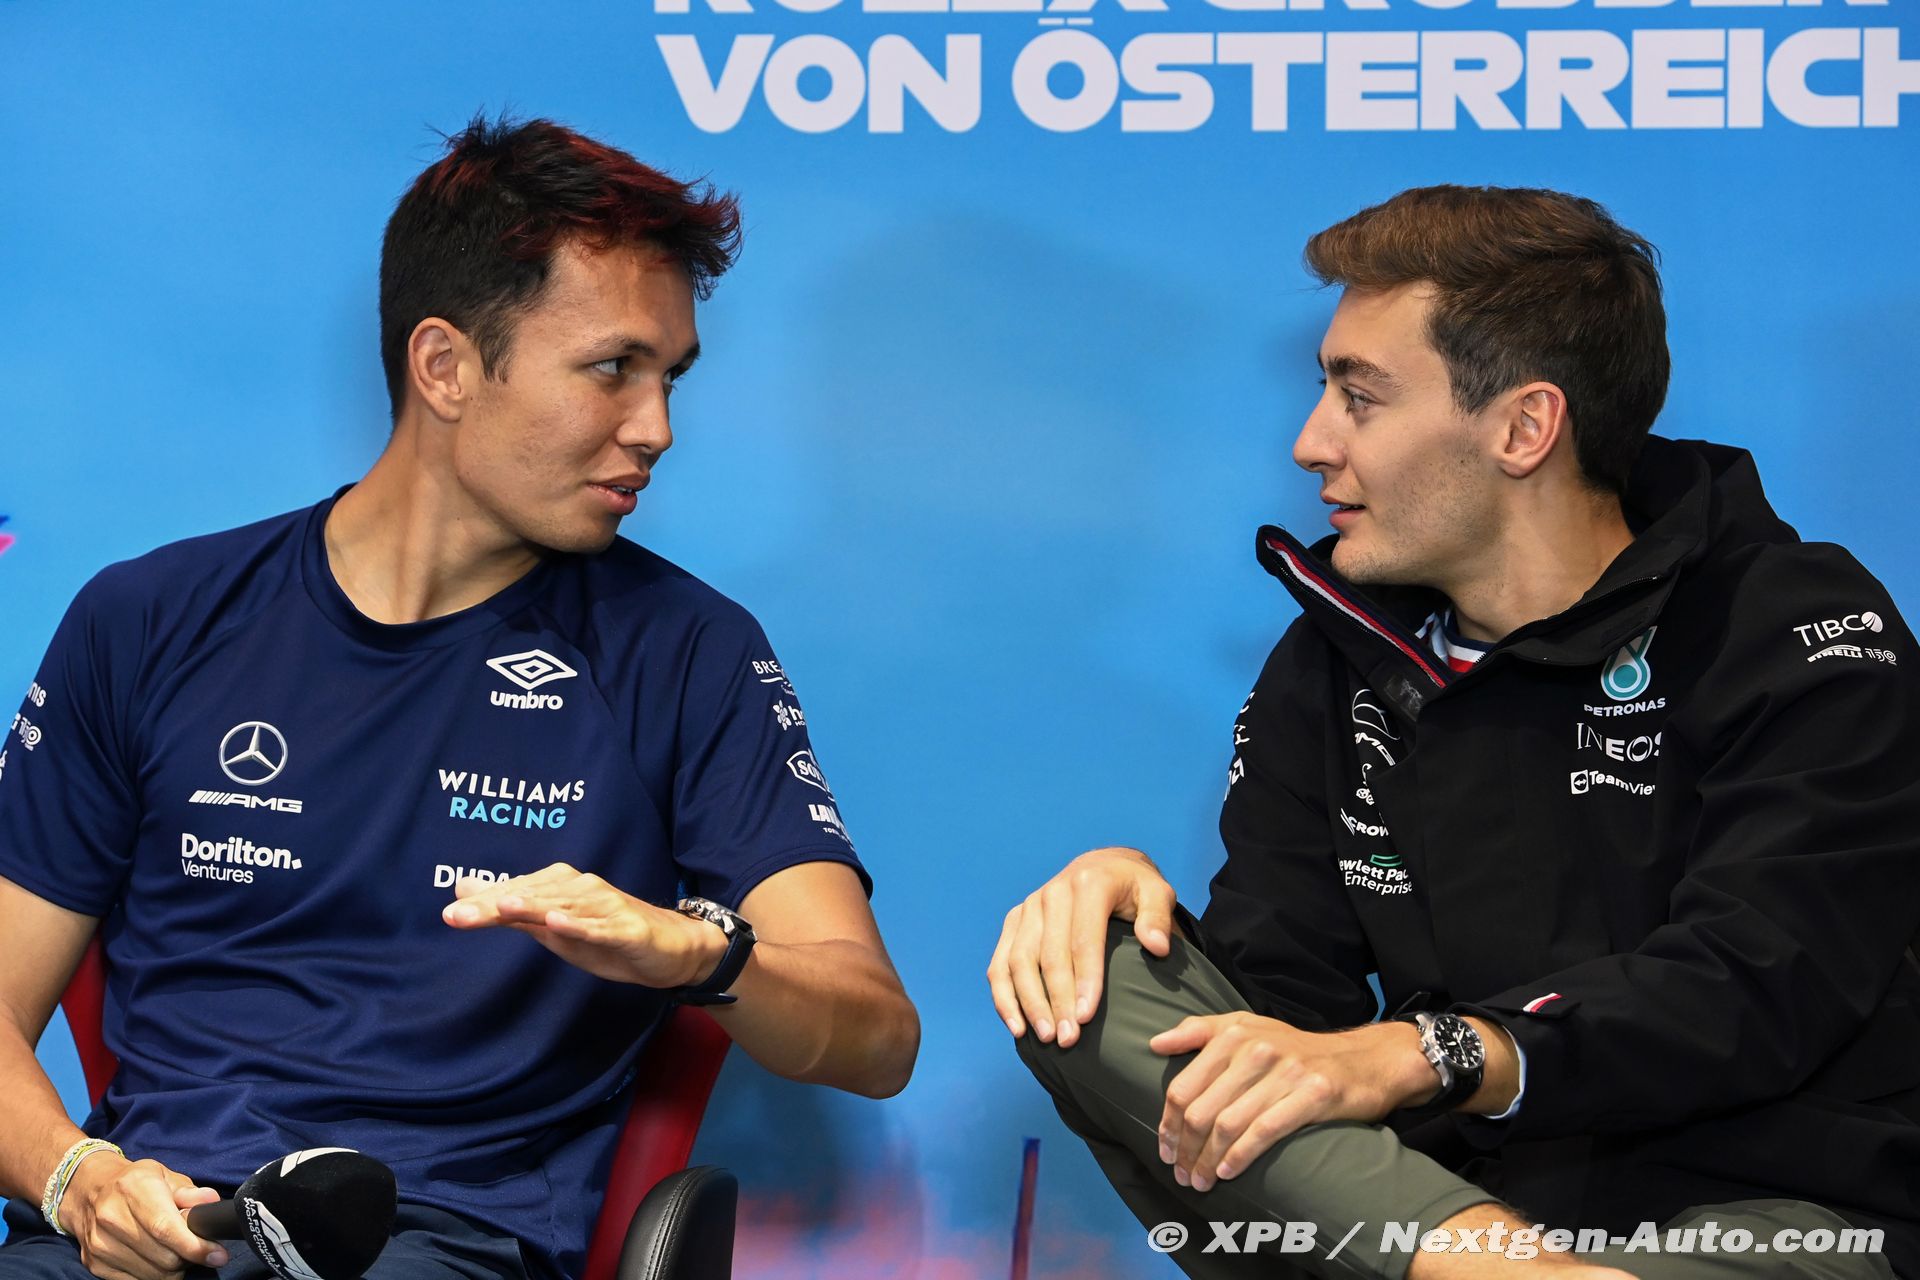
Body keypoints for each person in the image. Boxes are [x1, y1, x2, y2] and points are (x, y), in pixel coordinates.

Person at [0, 115, 919, 1280]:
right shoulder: (147, 618)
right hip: (141, 1237)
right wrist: (78, 1179)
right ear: (444, 367)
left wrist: (701, 951)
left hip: (439, 1247)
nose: (657, 429)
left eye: (670, 377)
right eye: (613, 369)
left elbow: (876, 1033)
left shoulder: (690, 653)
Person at [990, 185, 1920, 1279]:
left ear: (1524, 428)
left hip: (1763, 1222)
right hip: (1446, 1225)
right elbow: (1282, 1014)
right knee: (1087, 966)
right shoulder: (1334, 657)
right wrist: (1133, 903)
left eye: (1359, 397)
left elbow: (1756, 980)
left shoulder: (1794, 626)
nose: (1309, 443)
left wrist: (1432, 1053)